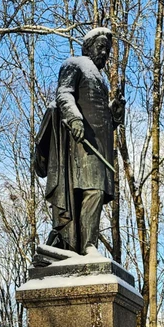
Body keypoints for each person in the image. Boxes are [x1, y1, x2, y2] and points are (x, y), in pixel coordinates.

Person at [33, 27, 125, 260]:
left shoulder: (101, 80)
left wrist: (114, 113)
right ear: (88, 47)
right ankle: (81, 245)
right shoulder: (74, 64)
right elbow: (64, 93)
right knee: (85, 192)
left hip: (98, 146)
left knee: (95, 192)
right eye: (100, 47)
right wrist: (74, 118)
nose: (104, 53)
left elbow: (102, 119)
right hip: (78, 144)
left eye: (107, 50)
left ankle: (86, 244)